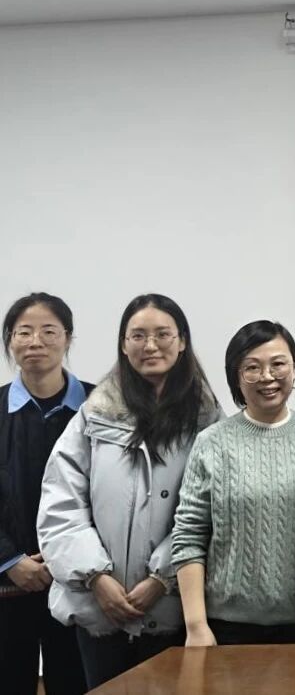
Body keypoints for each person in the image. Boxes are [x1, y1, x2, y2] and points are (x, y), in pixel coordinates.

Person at [38, 293, 222, 690]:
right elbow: (60, 502)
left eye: (162, 334)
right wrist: (95, 577)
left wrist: (161, 578)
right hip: (99, 610)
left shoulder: (207, 421)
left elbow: (212, 511)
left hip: (173, 608)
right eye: (137, 335)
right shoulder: (94, 415)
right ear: (123, 344)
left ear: (182, 340)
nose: (150, 345)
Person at [172, 320, 295, 646]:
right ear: (236, 376)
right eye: (252, 368)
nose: (267, 377)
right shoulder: (211, 442)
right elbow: (188, 536)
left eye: (278, 364)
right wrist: (196, 626)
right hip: (226, 628)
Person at [0, 294, 90, 695]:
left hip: (83, 582)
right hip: (7, 584)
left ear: (67, 338)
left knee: (78, 683)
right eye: (24, 332)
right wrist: (10, 560)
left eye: (49, 331)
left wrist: (73, 561)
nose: (35, 341)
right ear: (10, 340)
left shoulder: (102, 406)